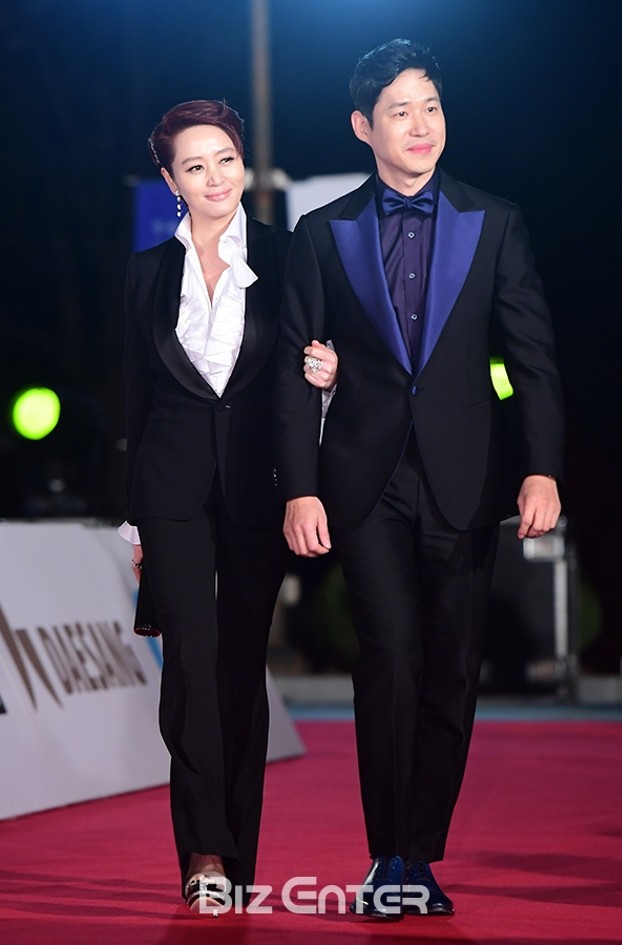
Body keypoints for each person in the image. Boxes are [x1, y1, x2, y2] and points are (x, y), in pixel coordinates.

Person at [275, 40, 563, 919]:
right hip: (361, 481)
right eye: (400, 110)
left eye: (431, 106)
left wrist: (542, 466)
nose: (421, 125)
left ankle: (422, 854)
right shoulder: (322, 234)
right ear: (365, 127)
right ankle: (388, 855)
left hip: (467, 479)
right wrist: (299, 485)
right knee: (389, 659)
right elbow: (296, 366)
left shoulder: (496, 221)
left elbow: (534, 356)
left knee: (452, 666)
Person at [121, 99, 335, 915]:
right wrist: (134, 519)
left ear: (242, 163)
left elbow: (320, 353)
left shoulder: (288, 258)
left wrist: (329, 370)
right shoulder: (145, 271)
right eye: (194, 165)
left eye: (225, 159)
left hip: (260, 489)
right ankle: (204, 845)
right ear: (171, 179)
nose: (214, 177)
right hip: (170, 490)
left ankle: (238, 851)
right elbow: (135, 400)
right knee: (192, 666)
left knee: (241, 671)